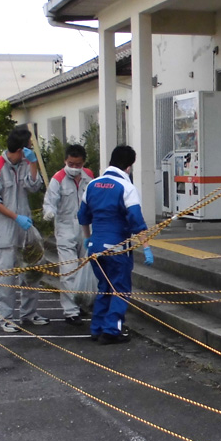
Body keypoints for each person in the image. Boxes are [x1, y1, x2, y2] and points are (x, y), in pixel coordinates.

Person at [77, 144, 154, 344]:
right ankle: (112, 330)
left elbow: (83, 216)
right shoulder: (127, 188)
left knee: (104, 287)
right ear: (128, 167)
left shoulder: (92, 184)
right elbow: (137, 221)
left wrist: (87, 239)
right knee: (120, 289)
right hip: (117, 248)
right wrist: (146, 249)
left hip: (95, 247)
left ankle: (97, 328)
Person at [0, 125, 48, 333]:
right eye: (29, 146)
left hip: (25, 228)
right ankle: (4, 318)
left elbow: (34, 186)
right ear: (21, 148)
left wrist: (33, 164)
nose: (31, 148)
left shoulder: (24, 164)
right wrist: (15, 217)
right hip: (5, 230)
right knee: (6, 275)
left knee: (31, 271)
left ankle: (29, 313)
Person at [43, 143, 94, 326]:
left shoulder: (89, 176)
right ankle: (70, 311)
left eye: (77, 164)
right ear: (65, 160)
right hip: (65, 227)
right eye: (70, 163)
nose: (74, 167)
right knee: (68, 270)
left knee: (85, 268)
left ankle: (81, 301)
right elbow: (50, 201)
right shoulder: (58, 179)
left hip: (85, 227)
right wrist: (49, 212)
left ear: (83, 162)